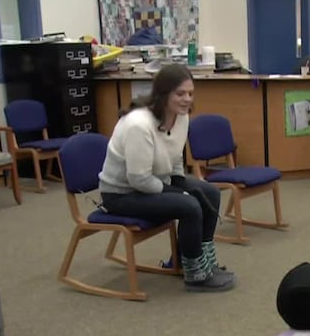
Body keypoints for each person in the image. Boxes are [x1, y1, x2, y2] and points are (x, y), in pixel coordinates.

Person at [98, 64, 234, 293]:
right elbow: (138, 180)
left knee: (209, 192)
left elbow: (174, 155)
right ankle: (196, 275)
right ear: (163, 94)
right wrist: (180, 192)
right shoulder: (139, 125)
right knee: (189, 205)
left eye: (190, 94)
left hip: (156, 181)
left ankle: (197, 261)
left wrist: (180, 181)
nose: (187, 99)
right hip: (122, 194)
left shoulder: (181, 117)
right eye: (180, 94)